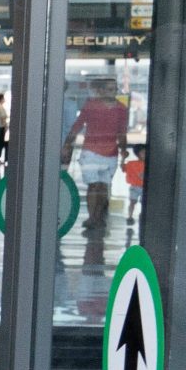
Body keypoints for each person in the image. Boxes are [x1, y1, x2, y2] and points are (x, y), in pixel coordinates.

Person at [64, 82, 133, 264]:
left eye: (114, 89)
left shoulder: (121, 109)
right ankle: (94, 217)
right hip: (91, 152)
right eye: (109, 89)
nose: (113, 92)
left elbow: (122, 132)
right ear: (101, 90)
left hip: (110, 153)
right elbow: (78, 125)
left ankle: (95, 217)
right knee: (94, 185)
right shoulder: (91, 105)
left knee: (103, 187)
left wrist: (123, 150)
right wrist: (67, 144)